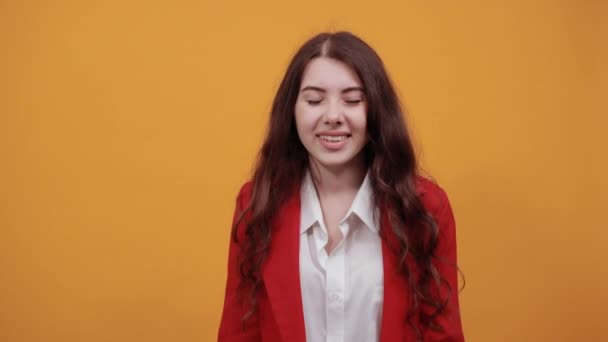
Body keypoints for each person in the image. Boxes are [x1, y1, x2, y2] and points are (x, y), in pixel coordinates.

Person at [217, 31, 464, 342]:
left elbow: (443, 334)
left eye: (352, 100)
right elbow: (238, 332)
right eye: (314, 100)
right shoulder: (257, 203)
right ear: (292, 110)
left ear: (375, 111)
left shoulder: (424, 207)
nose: (333, 116)